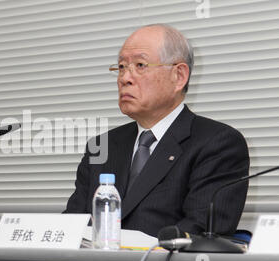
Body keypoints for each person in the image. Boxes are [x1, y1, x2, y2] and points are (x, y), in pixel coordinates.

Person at [65, 24, 250, 237]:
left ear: (179, 76)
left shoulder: (218, 143)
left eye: (140, 65)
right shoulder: (102, 146)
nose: (125, 78)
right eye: (122, 67)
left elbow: (199, 233)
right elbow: (72, 226)